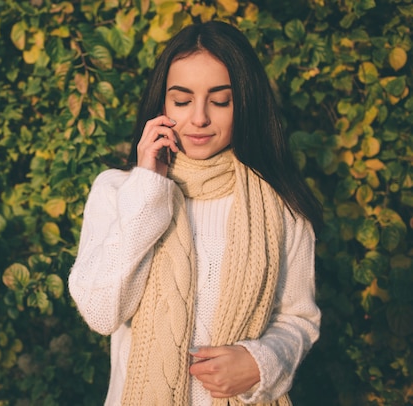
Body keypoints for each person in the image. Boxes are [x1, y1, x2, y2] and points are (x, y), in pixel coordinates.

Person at [68, 20, 322, 406]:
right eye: (182, 100)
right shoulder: (118, 191)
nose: (199, 118)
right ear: (163, 104)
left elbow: (298, 319)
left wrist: (262, 361)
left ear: (245, 103)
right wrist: (149, 187)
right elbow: (101, 312)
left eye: (221, 101)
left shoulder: (281, 204)